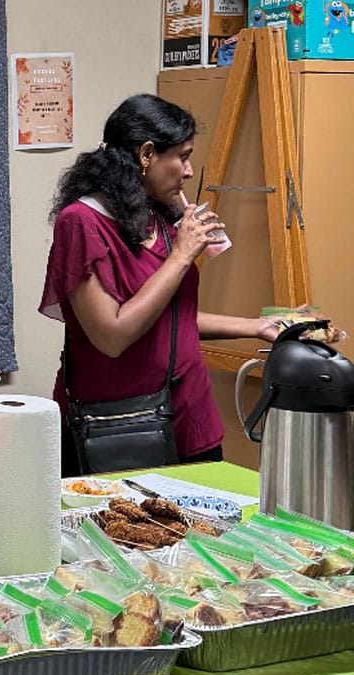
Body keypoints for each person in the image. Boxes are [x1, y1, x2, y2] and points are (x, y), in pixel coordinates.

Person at [39, 93, 283, 477]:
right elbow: (112, 335)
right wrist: (182, 255)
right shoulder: (80, 222)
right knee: (124, 535)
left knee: (203, 533)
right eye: (182, 156)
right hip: (119, 427)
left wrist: (255, 327)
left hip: (190, 416)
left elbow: (170, 316)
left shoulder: (160, 215)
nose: (188, 171)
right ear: (147, 154)